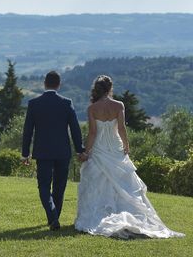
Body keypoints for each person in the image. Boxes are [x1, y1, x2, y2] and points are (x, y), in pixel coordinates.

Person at [74, 75, 184, 239]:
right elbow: (121, 129)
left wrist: (87, 152)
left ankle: (99, 215)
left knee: (99, 182)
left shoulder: (92, 108)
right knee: (124, 184)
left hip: (99, 148)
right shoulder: (119, 105)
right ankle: (127, 213)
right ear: (110, 88)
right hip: (115, 148)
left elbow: (92, 133)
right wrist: (126, 145)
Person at [21, 71, 86, 231]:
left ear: (45, 83)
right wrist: (80, 150)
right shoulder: (66, 103)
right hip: (62, 151)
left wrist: (25, 153)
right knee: (59, 186)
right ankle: (54, 217)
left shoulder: (34, 103)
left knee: (43, 186)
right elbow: (75, 129)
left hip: (42, 151)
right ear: (59, 84)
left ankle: (53, 217)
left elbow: (27, 131)